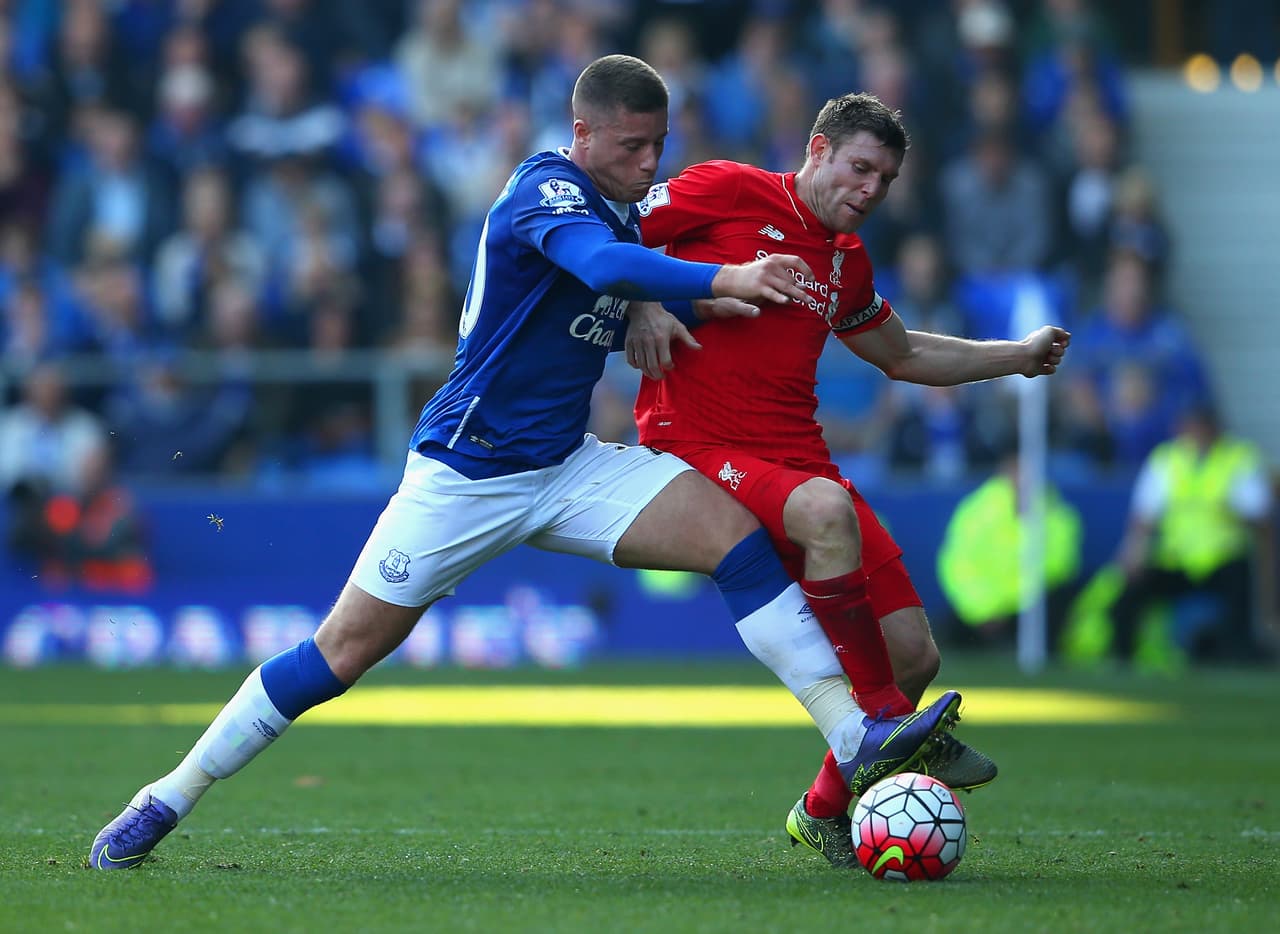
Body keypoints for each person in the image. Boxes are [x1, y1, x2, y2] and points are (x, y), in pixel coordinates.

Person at [89, 55, 964, 871]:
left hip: (566, 467)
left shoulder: (624, 207)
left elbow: (601, 287)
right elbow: (595, 262)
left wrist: (640, 314)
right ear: (582, 134)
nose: (647, 162)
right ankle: (167, 795)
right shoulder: (545, 186)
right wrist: (714, 282)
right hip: (467, 473)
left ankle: (854, 736)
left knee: (733, 537)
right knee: (338, 655)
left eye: (658, 145)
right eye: (631, 146)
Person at [624, 90, 1071, 868]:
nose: (871, 190)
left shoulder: (846, 260)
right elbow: (599, 235)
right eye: (861, 168)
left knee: (915, 652)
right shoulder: (730, 189)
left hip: (795, 454)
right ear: (818, 150)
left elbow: (901, 355)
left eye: (887, 180)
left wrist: (1018, 357)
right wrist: (637, 307)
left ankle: (823, 810)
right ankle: (892, 727)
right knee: (827, 511)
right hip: (699, 443)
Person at [1108, 403, 1276, 664]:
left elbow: (1260, 517)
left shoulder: (1239, 459)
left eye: (1200, 427)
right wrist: (1133, 551)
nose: (1194, 433)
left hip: (1223, 559)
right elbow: (1144, 517)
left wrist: (1232, 512)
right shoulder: (1167, 459)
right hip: (1177, 560)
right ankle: (1121, 657)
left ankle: (1239, 655)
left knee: (1240, 586)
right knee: (1129, 594)